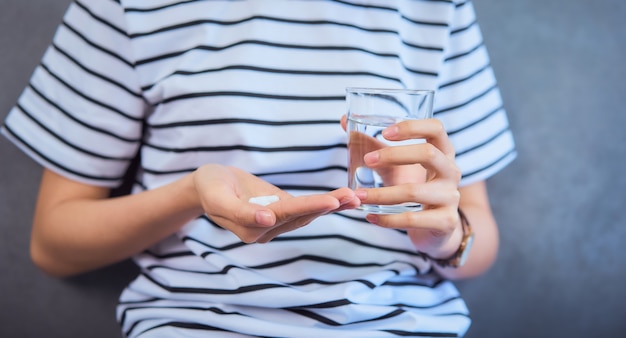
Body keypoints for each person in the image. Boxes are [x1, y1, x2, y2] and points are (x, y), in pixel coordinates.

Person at [1, 0, 516, 337]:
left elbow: (478, 237)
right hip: (196, 324)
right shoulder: (127, 7)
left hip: (402, 323)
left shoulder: (436, 9)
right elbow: (53, 243)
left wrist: (441, 236)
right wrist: (191, 195)